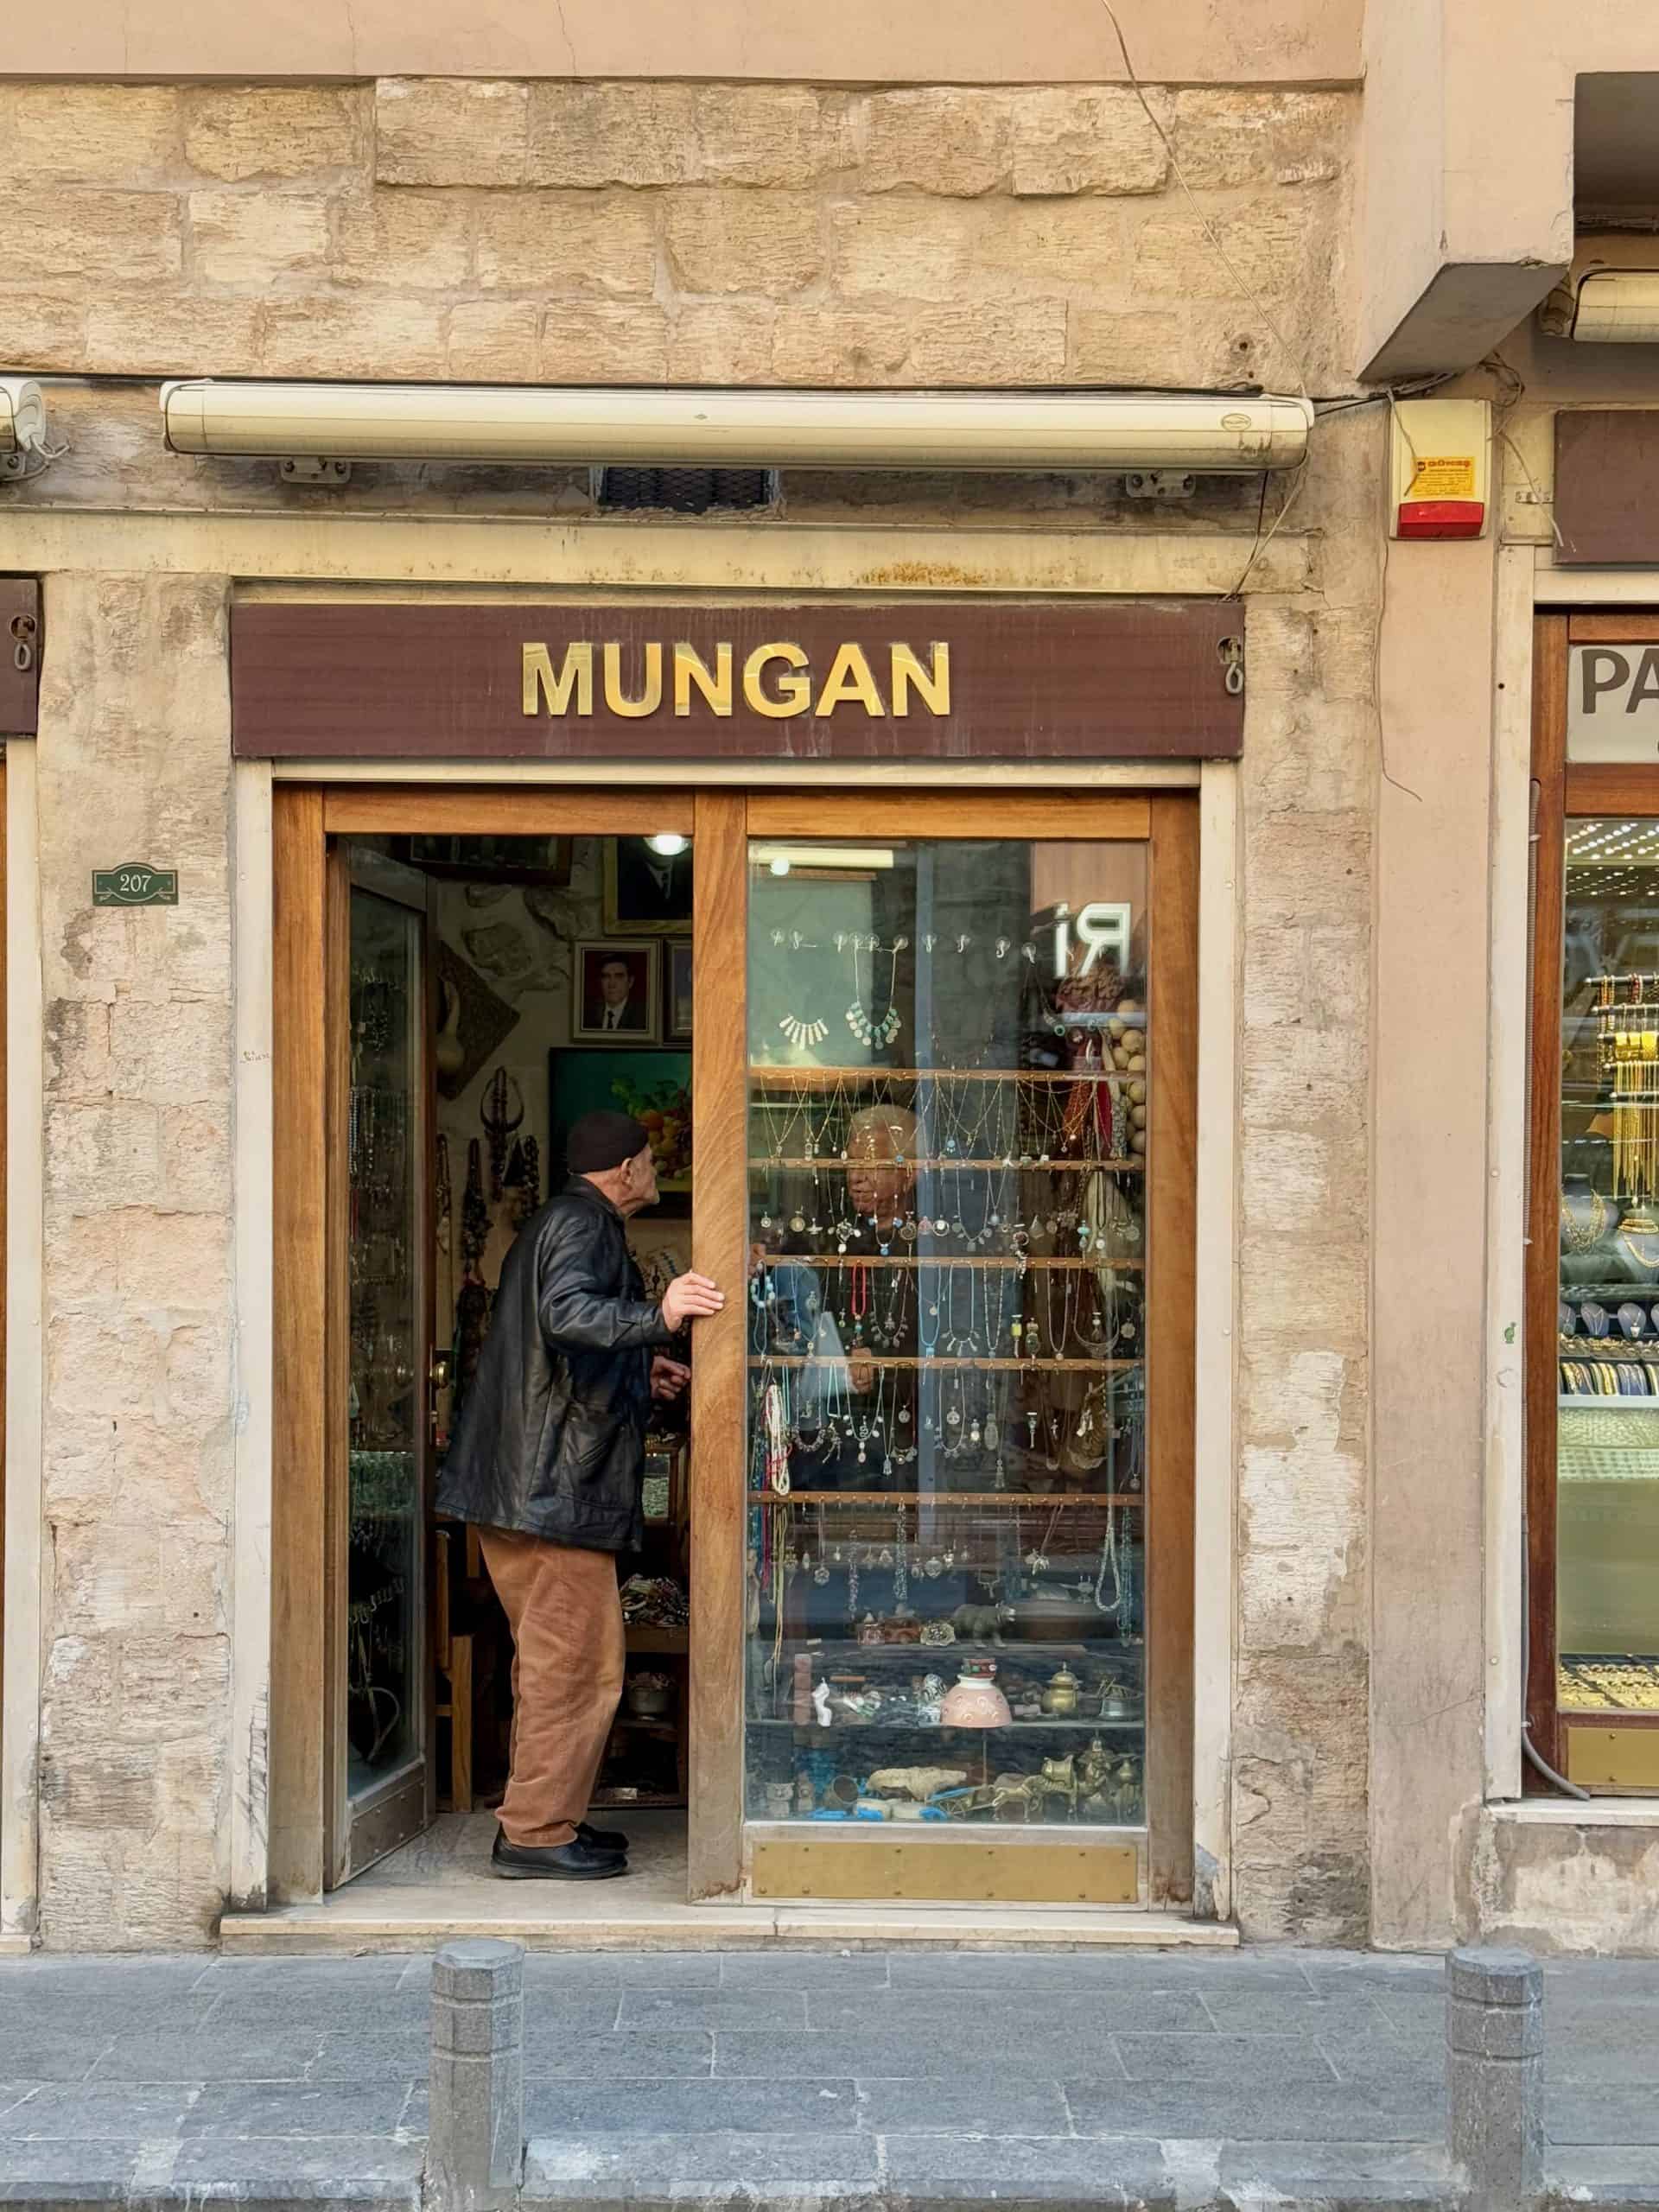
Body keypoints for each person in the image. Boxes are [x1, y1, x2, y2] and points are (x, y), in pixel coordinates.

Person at [437, 1109, 723, 1880]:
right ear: (627, 1168)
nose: (656, 1172)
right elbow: (567, 1316)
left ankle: (547, 1817)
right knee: (575, 1668)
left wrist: (641, 1368)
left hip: (534, 1489)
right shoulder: (583, 1223)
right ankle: (533, 1834)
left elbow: (554, 1348)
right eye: (650, 1160)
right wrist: (658, 1315)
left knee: (559, 1663)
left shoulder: (564, 1220)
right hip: (548, 1494)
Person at [589, 952, 646, 1033]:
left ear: (630, 982)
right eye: (606, 976)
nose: (612, 984)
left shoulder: (643, 1017)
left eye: (619, 976)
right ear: (600, 981)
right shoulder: (589, 1013)